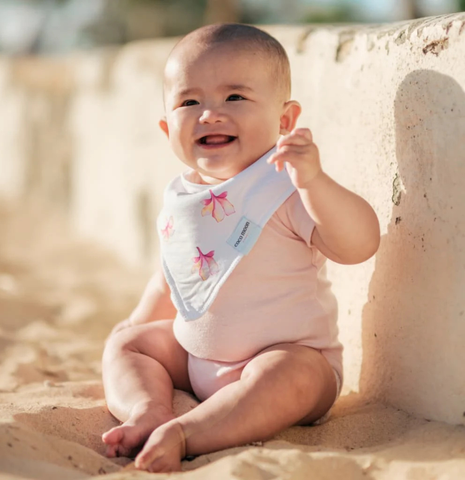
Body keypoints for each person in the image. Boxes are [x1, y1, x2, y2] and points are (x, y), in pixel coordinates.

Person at [101, 23, 380, 473]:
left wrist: (315, 182)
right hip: (196, 358)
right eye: (189, 102)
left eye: (234, 97)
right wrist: (137, 323)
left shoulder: (285, 189)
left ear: (285, 120)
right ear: (165, 126)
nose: (209, 114)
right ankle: (148, 410)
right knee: (126, 345)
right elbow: (175, 275)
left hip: (286, 360)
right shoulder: (182, 195)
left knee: (290, 376)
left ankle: (188, 432)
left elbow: (360, 244)